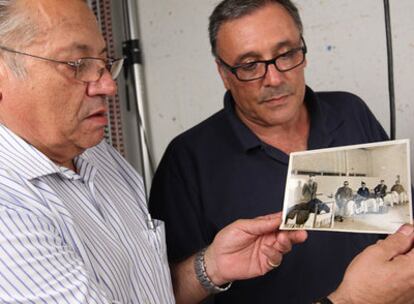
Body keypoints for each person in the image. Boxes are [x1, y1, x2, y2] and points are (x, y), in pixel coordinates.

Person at [0, 0, 309, 303]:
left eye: (105, 63)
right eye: (77, 65)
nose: (108, 86)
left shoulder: (98, 155)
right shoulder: (8, 212)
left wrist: (210, 266)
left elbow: (149, 291)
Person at [149, 0, 391, 302]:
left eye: (286, 54)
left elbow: (399, 226)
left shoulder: (350, 112)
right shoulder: (187, 160)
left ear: (302, 53)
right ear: (224, 73)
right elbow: (160, 292)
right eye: (250, 65)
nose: (274, 79)